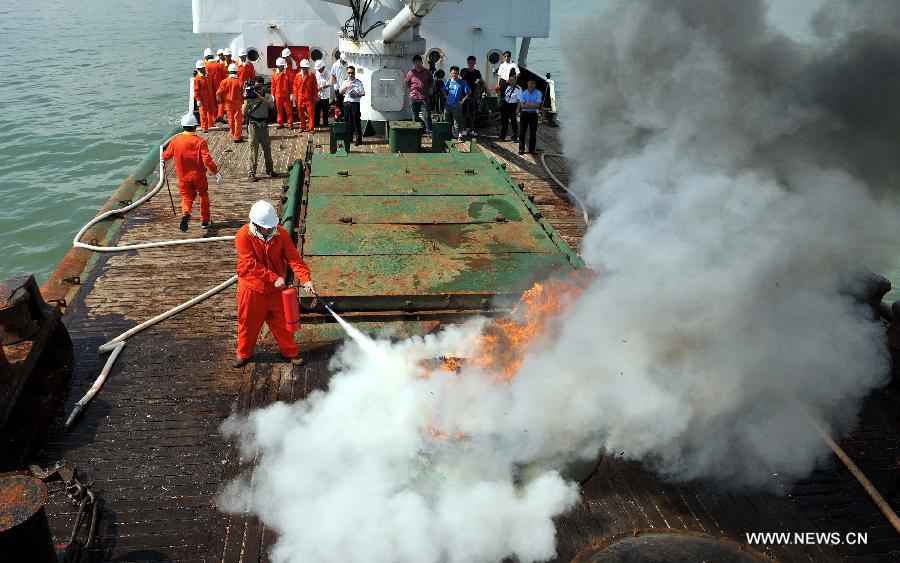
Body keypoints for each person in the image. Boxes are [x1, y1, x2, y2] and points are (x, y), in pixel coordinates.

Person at [233, 200, 315, 368]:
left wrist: (306, 279)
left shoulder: (280, 234)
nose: (272, 229)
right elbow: (250, 264)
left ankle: (290, 352)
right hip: (251, 289)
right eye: (268, 227)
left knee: (282, 323)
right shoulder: (243, 235)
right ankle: (243, 354)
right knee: (248, 323)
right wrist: (274, 278)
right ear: (256, 224)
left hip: (276, 290)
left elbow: (293, 258)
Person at [161, 113, 221, 231]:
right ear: (195, 127)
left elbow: (166, 155)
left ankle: (186, 213)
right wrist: (216, 172)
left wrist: (162, 159)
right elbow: (207, 159)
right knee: (203, 195)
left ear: (183, 126)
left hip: (183, 177)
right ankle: (205, 221)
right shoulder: (200, 141)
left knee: (187, 198)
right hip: (199, 176)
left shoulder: (175, 140)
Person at [243, 77, 277, 182]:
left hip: (263, 125)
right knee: (253, 148)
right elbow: (243, 112)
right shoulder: (250, 97)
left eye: (260, 86)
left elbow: (271, 105)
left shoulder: (267, 96)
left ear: (264, 86)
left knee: (267, 148)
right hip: (253, 125)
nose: (259, 88)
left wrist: (260, 97)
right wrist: (246, 100)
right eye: (256, 86)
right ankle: (252, 172)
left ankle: (270, 170)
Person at [404, 54, 433, 134]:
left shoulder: (427, 72)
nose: (417, 63)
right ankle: (416, 131)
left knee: (426, 115)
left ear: (422, 62)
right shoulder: (410, 73)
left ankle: (429, 132)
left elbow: (431, 82)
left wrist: (425, 88)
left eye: (419, 62)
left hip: (424, 97)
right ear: (414, 63)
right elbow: (407, 83)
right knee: (415, 115)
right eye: (415, 62)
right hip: (413, 97)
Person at [217, 64, 245, 142]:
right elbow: (243, 93)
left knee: (230, 119)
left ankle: (233, 133)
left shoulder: (224, 82)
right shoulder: (240, 82)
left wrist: (222, 99)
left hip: (228, 104)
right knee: (238, 121)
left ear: (229, 71)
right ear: (236, 72)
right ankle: (237, 137)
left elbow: (219, 93)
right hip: (238, 104)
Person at [338, 66, 365, 144]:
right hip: (347, 103)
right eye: (349, 73)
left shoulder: (358, 82)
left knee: (356, 122)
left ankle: (358, 139)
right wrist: (346, 86)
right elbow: (340, 92)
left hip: (355, 103)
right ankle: (348, 138)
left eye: (352, 73)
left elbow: (363, 93)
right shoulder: (344, 82)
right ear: (347, 73)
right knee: (346, 121)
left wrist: (356, 95)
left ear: (354, 73)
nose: (350, 74)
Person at [442, 66, 470, 141]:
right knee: (447, 120)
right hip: (448, 105)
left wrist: (463, 100)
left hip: (457, 106)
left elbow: (469, 92)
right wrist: (445, 96)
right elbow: (444, 89)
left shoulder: (462, 82)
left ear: (458, 73)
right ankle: (450, 135)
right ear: (450, 73)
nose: (454, 75)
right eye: (452, 73)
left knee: (457, 121)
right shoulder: (448, 81)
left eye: (455, 73)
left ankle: (459, 136)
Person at [459, 55, 483, 137]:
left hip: (473, 95)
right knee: (463, 112)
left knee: (473, 113)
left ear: (475, 63)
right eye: (470, 62)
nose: (471, 64)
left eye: (473, 62)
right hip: (464, 95)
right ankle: (464, 129)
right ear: (467, 63)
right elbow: (460, 81)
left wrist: (486, 88)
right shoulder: (463, 71)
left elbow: (481, 81)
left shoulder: (477, 72)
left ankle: (471, 130)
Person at [518, 78, 543, 155]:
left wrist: (528, 104)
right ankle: (521, 149)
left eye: (532, 84)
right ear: (527, 84)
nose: (531, 85)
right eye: (529, 83)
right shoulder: (524, 93)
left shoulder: (539, 93)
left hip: (533, 114)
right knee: (522, 132)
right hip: (524, 114)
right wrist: (533, 104)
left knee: (533, 132)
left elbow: (538, 105)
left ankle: (532, 150)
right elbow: (522, 106)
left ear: (535, 85)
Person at [293, 59, 317, 132]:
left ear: (308, 68)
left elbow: (315, 87)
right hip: (300, 98)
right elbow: (295, 87)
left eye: (305, 68)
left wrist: (315, 96)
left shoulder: (312, 76)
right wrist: (296, 97)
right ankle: (302, 127)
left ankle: (311, 128)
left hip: (309, 98)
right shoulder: (297, 75)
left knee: (310, 114)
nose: (304, 69)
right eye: (303, 68)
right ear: (301, 68)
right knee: (300, 114)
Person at [193, 59, 217, 131]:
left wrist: (215, 95)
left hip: (211, 97)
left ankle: (210, 124)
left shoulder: (209, 76)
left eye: (201, 68)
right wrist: (198, 99)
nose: (200, 70)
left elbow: (213, 86)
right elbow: (196, 90)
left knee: (211, 111)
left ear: (204, 68)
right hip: (203, 99)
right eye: (199, 69)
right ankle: (204, 127)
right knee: (203, 114)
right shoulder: (197, 79)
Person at [205, 50, 227, 124]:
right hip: (219, 86)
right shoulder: (219, 65)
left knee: (212, 102)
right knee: (220, 102)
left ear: (205, 57)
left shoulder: (205, 66)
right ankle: (220, 116)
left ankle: (214, 118)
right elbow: (224, 76)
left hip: (209, 88)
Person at [271, 57, 294, 129]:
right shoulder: (274, 74)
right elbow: (273, 86)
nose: (280, 67)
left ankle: (290, 124)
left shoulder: (288, 74)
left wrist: (291, 93)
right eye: (279, 66)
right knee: (279, 111)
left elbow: (291, 84)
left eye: (281, 66)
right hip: (278, 96)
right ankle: (280, 123)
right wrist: (272, 94)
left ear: (284, 66)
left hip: (286, 95)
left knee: (289, 111)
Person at [499, 73, 521, 142]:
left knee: (513, 122)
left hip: (513, 106)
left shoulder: (518, 88)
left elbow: (519, 100)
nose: (511, 81)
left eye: (513, 80)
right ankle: (503, 137)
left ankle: (515, 137)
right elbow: (505, 97)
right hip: (506, 105)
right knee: (504, 122)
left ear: (515, 81)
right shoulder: (507, 87)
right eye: (510, 80)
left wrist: (518, 109)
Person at [314, 59, 331, 128]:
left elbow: (328, 84)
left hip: (325, 95)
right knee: (317, 110)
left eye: (319, 69)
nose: (318, 70)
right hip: (318, 95)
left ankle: (325, 123)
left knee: (325, 111)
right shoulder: (317, 72)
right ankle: (316, 123)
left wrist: (320, 88)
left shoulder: (328, 73)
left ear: (323, 67)